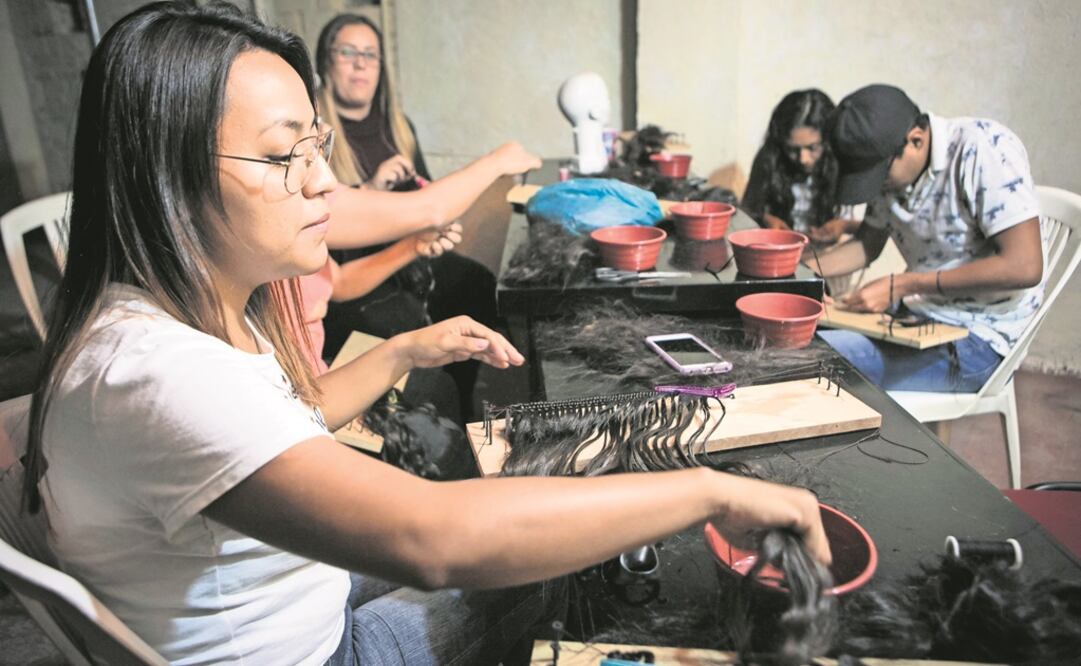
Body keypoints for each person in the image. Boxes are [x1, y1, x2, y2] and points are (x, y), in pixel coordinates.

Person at [24, 4, 829, 665]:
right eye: (281, 156)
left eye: (314, 144)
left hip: (302, 593)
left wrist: (407, 349)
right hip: (316, 650)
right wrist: (708, 491)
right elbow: (430, 541)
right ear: (165, 176)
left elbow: (286, 421)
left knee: (531, 506)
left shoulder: (183, 311)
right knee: (552, 563)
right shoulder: (157, 371)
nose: (320, 181)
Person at [314, 12, 504, 420]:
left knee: (476, 283)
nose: (361, 63)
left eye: (371, 55)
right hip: (358, 271)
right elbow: (324, 225)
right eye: (348, 53)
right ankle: (419, 420)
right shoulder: (317, 136)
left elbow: (429, 198)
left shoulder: (399, 126)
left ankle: (463, 405)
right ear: (326, 62)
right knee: (399, 318)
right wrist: (373, 187)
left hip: (410, 257)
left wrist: (437, 226)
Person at [814, 84, 1045, 392]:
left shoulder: (983, 148)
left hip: (979, 338)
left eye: (878, 176)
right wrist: (799, 274)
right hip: (916, 315)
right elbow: (866, 245)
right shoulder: (892, 167)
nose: (877, 188)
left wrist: (904, 284)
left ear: (916, 140)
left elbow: (1025, 266)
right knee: (793, 335)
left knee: (814, 359)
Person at [742, 89, 862, 243]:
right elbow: (745, 211)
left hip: (826, 256)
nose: (803, 159)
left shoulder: (842, 162)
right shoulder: (769, 159)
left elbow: (873, 230)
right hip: (777, 252)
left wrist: (843, 226)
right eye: (792, 149)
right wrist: (765, 219)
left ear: (828, 141)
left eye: (812, 148)